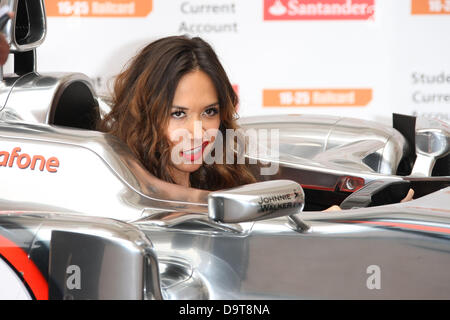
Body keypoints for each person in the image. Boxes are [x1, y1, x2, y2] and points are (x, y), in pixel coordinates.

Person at [98, 35, 256, 191]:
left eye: (209, 111)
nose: (198, 133)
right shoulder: (123, 197)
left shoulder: (223, 183)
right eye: (178, 114)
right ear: (143, 115)